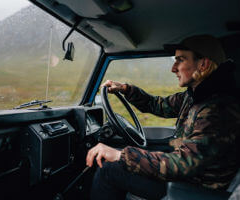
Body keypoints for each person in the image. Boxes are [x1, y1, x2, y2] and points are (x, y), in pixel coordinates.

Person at [86, 35, 240, 200]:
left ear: (203, 64)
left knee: (109, 170)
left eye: (180, 60)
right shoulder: (195, 96)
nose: (173, 68)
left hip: (195, 189)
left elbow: (185, 164)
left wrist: (121, 155)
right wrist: (125, 89)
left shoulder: (218, 108)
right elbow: (157, 105)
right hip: (187, 178)